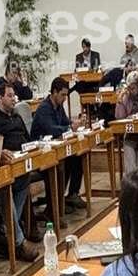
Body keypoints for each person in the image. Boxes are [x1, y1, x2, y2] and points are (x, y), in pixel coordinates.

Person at [0, 79, 41, 261]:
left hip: (19, 167)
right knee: (6, 190)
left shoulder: (17, 117)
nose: (14, 99)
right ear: (0, 98)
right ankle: (18, 241)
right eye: (10, 96)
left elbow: (28, 139)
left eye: (14, 96)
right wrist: (0, 153)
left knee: (24, 180)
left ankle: (8, 229)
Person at [33, 77, 85, 210]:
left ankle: (72, 194)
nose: (65, 98)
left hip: (55, 149)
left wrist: (75, 124)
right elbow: (51, 129)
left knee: (77, 156)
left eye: (66, 95)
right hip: (41, 153)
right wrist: (70, 128)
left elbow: (65, 123)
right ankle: (55, 205)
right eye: (63, 95)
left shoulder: (59, 106)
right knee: (63, 163)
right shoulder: (44, 108)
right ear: (54, 92)